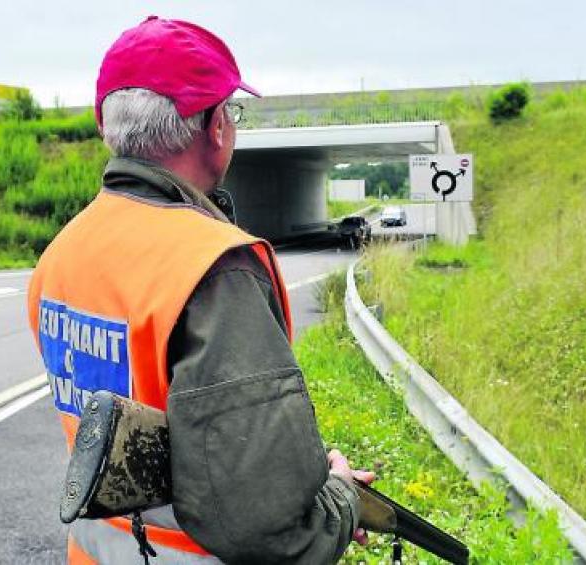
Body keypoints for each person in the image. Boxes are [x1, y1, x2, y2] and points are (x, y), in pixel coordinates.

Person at [27, 16, 372, 564]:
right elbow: (268, 526)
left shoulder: (64, 252)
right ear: (214, 126)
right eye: (231, 111)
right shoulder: (212, 268)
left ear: (105, 125)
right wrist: (341, 498)